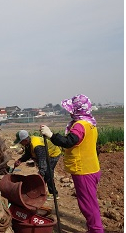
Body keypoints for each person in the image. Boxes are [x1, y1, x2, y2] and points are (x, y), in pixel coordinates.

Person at [40, 94, 104, 232]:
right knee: (90, 203)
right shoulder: (90, 124)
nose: (69, 112)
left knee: (88, 206)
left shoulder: (80, 126)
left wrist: (51, 135)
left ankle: (96, 230)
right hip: (92, 168)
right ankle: (94, 228)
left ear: (77, 110)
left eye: (71, 109)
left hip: (84, 170)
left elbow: (68, 142)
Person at [13, 129, 62, 200]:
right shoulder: (28, 143)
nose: (21, 144)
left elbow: (42, 161)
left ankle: (54, 194)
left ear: (25, 140)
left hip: (53, 154)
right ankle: (40, 190)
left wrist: (40, 173)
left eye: (21, 142)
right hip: (45, 155)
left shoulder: (37, 146)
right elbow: (28, 154)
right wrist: (20, 160)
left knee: (48, 173)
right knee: (44, 173)